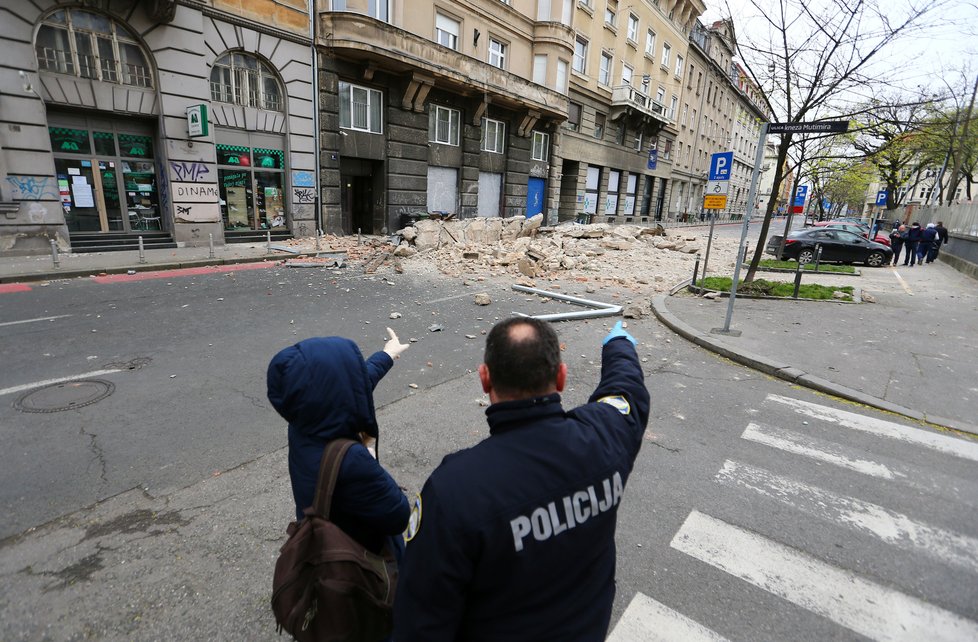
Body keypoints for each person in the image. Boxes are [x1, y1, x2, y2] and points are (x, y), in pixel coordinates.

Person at [393, 318, 650, 641]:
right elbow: (626, 392)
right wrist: (618, 345)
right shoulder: (604, 439)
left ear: (485, 379)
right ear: (561, 377)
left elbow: (420, 623)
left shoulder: (454, 491)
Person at [266, 328, 411, 562]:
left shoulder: (304, 424)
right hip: (356, 557)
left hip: (321, 539)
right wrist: (376, 469)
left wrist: (386, 355)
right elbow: (398, 514)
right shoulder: (352, 460)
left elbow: (355, 386)